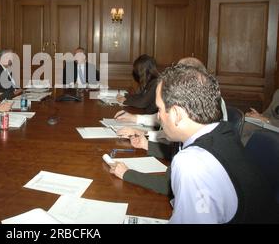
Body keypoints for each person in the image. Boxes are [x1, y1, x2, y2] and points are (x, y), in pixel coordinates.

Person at [110, 64, 278, 223]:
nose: (159, 117)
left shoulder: (192, 164)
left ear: (176, 114)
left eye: (160, 109)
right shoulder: (223, 131)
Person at [112, 57, 228, 195]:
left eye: (160, 110)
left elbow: (169, 186)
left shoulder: (193, 160)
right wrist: (147, 144)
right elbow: (176, 150)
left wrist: (127, 174)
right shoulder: (206, 130)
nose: (158, 117)